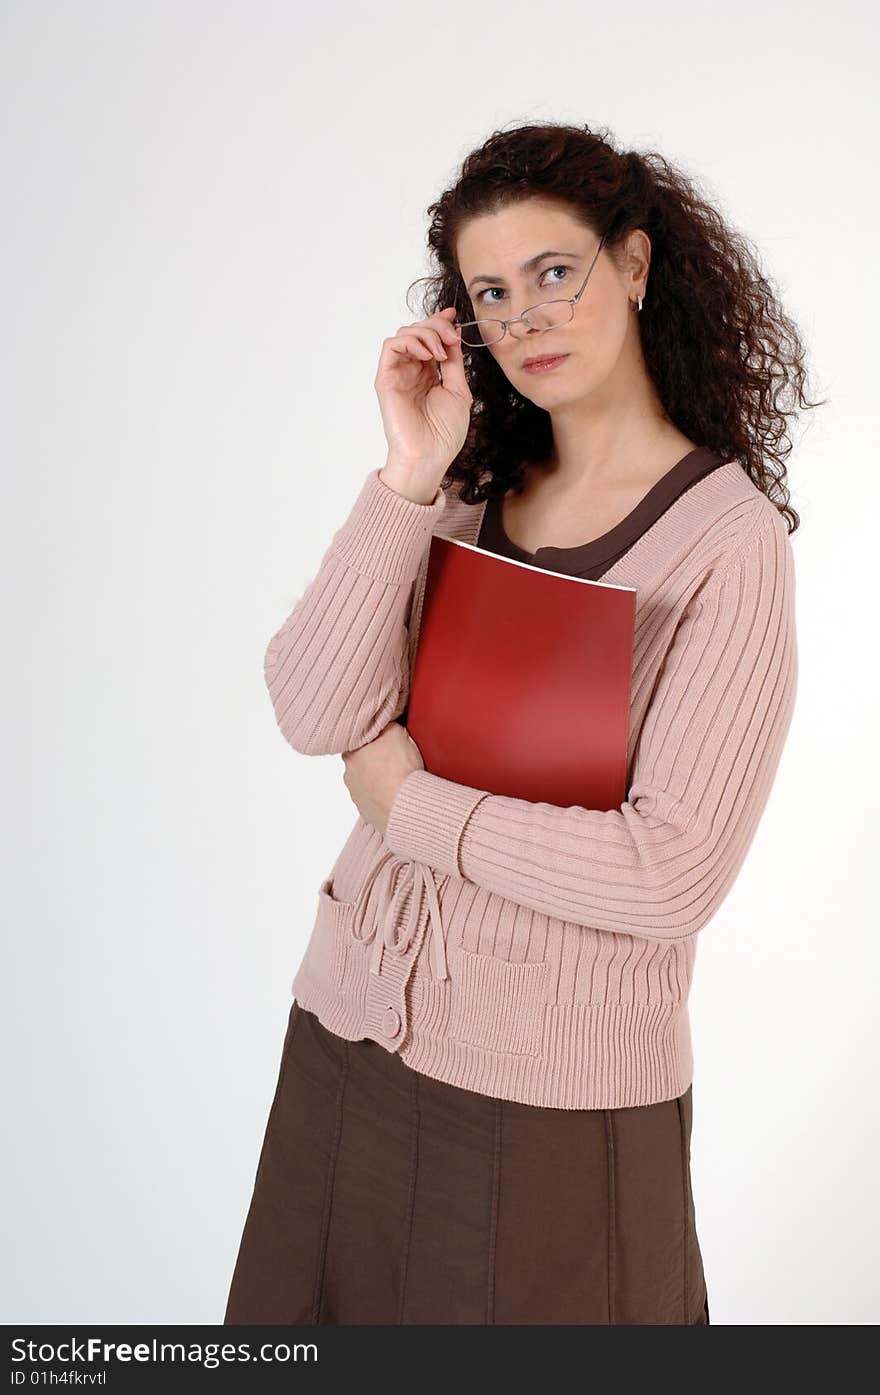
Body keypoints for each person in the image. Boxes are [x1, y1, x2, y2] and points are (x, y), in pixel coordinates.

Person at [224, 121, 820, 1326]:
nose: (526, 317)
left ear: (637, 266)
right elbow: (314, 708)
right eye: (491, 293)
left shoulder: (724, 545)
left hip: (550, 1096)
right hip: (348, 1046)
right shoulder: (467, 492)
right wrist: (406, 477)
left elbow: (668, 874)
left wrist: (409, 804)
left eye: (556, 273)